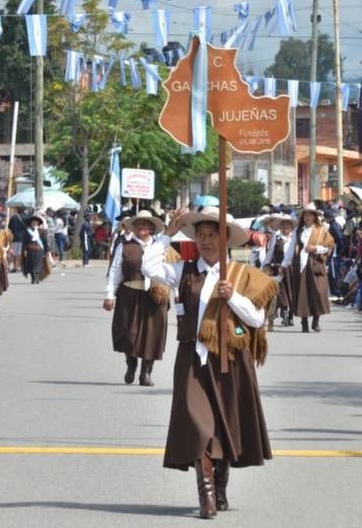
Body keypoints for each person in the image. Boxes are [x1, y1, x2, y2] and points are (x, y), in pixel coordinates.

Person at [142, 207, 276, 519]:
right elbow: (150, 268)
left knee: (225, 426)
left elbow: (257, 318)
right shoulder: (184, 270)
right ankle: (207, 498)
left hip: (231, 361)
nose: (205, 241)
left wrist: (234, 298)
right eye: (200, 235)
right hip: (193, 360)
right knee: (199, 425)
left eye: (212, 235)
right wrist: (166, 235)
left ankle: (221, 485)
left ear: (226, 239)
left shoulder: (242, 275)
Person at [103, 210, 174, 386]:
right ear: (134, 228)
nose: (141, 228)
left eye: (145, 225)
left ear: (151, 228)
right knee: (129, 334)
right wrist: (109, 295)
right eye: (138, 225)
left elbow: (172, 272)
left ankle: (146, 372)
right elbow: (114, 272)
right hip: (129, 295)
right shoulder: (124, 247)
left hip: (155, 297)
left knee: (153, 336)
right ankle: (131, 364)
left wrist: (178, 295)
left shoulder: (162, 246)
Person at [286, 203, 335, 333]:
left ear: (314, 217)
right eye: (305, 215)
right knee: (303, 294)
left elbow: (330, 247)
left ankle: (316, 320)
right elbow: (291, 248)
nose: (307, 217)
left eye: (310, 215)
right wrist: (284, 264)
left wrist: (316, 248)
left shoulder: (322, 230)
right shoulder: (298, 230)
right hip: (301, 265)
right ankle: (304, 322)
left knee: (318, 292)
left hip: (316, 264)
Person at [262, 214, 296, 329]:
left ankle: (290, 315)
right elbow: (270, 253)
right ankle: (285, 313)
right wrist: (266, 265)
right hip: (279, 269)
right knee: (281, 293)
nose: (286, 229)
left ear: (291, 228)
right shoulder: (276, 238)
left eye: (288, 227)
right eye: (283, 227)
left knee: (292, 292)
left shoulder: (294, 239)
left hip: (292, 269)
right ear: (280, 227)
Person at [22, 215, 48, 284]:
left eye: (36, 222)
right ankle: (33, 278)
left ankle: (36, 277)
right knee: (31, 264)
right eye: (33, 222)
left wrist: (46, 251)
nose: (35, 223)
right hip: (30, 250)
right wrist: (24, 250)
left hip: (39, 250)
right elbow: (24, 241)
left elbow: (45, 242)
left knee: (38, 264)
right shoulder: (27, 231)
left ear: (38, 224)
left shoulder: (41, 231)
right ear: (31, 223)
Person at [7, 207, 28, 272]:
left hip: (15, 237)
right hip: (23, 237)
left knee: (15, 253)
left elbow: (9, 227)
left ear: (17, 210)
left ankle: (15, 267)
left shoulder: (13, 217)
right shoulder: (25, 217)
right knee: (21, 252)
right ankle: (21, 266)